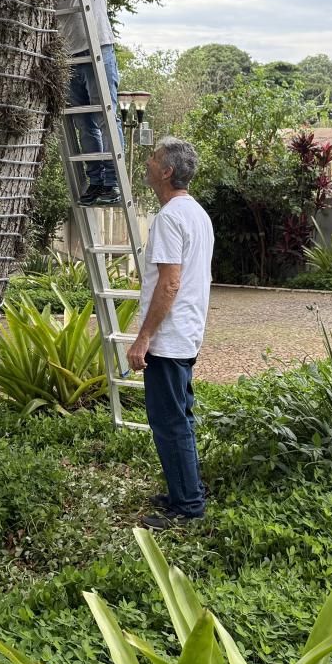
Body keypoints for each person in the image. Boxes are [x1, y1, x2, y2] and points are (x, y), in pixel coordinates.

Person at [126, 137, 215, 528]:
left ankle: (188, 508)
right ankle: (186, 488)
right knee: (181, 416)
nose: (147, 162)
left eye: (154, 158)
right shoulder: (197, 213)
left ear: (166, 171)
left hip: (169, 338)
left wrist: (143, 337)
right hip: (187, 332)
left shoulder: (168, 219)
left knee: (169, 422)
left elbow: (169, 284)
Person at [55, 0, 122, 206]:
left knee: (106, 117)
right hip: (70, 56)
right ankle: (96, 182)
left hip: (99, 48)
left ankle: (113, 182)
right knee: (84, 123)